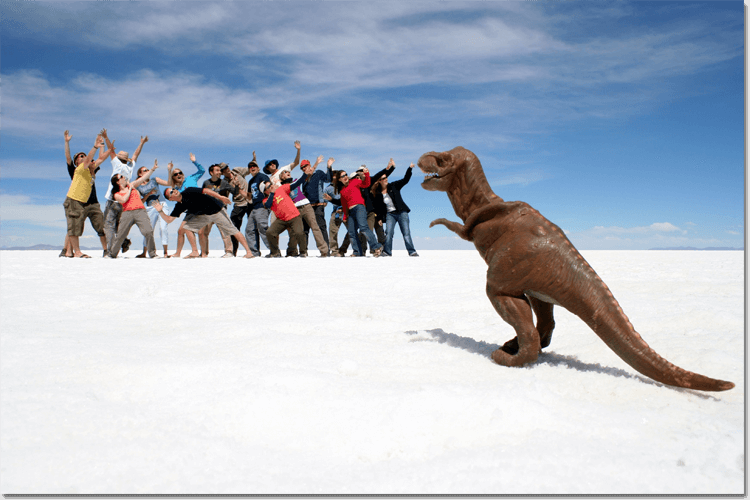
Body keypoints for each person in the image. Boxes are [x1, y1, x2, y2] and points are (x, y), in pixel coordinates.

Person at [153, 187, 255, 259]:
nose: (174, 191)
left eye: (173, 189)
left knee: (232, 230)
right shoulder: (179, 206)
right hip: (204, 215)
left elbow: (205, 190)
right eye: (171, 192)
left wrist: (221, 197)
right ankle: (195, 252)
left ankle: (249, 252)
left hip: (217, 210)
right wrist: (160, 211)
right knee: (187, 227)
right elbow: (169, 220)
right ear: (170, 199)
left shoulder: (188, 191)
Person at [63, 134, 114, 258]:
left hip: (84, 202)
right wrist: (95, 146)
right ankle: (74, 252)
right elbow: (71, 158)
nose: (85, 157)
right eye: (81, 156)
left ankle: (72, 252)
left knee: (79, 227)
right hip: (74, 199)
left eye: (85, 155)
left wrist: (109, 149)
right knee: (74, 227)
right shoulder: (79, 169)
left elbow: (101, 158)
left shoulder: (90, 169)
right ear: (77, 162)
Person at [101, 130, 148, 257]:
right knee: (118, 226)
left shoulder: (117, 164)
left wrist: (106, 138)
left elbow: (111, 151)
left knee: (109, 225)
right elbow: (136, 155)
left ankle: (111, 252)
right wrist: (141, 143)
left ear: (118, 158)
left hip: (113, 200)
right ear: (126, 160)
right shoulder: (130, 167)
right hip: (124, 201)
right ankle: (124, 242)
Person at [107, 160, 161, 259]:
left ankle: (152, 254)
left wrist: (152, 169)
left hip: (140, 211)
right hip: (127, 214)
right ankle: (112, 254)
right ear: (118, 182)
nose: (123, 177)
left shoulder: (132, 185)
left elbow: (143, 178)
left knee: (148, 232)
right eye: (121, 177)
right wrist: (130, 189)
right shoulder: (117, 194)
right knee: (120, 235)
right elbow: (123, 200)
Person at [332, 168, 383, 257]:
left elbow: (366, 184)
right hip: (351, 212)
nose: (345, 177)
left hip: (359, 207)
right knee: (351, 232)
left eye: (346, 174)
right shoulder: (342, 191)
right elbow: (344, 205)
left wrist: (366, 174)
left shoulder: (354, 181)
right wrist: (345, 217)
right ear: (339, 179)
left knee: (363, 227)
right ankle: (357, 252)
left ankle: (376, 247)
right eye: (343, 176)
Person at [371, 162, 419, 257]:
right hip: (390, 214)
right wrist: (380, 218)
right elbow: (379, 208)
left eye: (386, 177)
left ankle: (412, 251)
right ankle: (387, 252)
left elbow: (405, 180)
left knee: (406, 232)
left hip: (402, 212)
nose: (386, 179)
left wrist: (409, 169)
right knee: (388, 233)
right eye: (383, 178)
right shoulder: (378, 193)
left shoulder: (394, 185)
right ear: (379, 181)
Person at [282, 162, 329, 257]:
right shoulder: (281, 187)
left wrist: (316, 163)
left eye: (288, 172)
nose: (287, 172)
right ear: (281, 177)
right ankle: (302, 251)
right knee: (301, 230)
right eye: (284, 172)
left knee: (316, 227)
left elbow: (307, 174)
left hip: (306, 206)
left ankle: (325, 251)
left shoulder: (296, 180)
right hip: (296, 209)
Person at [199, 163, 244, 258]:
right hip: (208, 211)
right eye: (217, 170)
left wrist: (236, 186)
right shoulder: (206, 183)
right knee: (204, 233)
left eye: (220, 170)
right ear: (211, 172)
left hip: (220, 210)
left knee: (225, 232)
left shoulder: (223, 183)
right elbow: (202, 196)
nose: (220, 172)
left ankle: (229, 252)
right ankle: (204, 253)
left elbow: (234, 192)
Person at [168, 153, 206, 257]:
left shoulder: (191, 178)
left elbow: (202, 171)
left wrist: (194, 161)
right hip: (190, 210)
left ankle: (199, 252)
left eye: (179, 173)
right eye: (175, 174)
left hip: (200, 207)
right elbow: (169, 187)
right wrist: (169, 171)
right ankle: (178, 253)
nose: (178, 175)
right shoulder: (177, 189)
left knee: (196, 230)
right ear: (174, 178)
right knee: (181, 230)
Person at [133, 162, 173, 258]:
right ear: (140, 174)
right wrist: (148, 194)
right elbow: (141, 201)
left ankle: (165, 252)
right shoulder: (137, 186)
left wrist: (169, 170)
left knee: (163, 228)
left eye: (148, 170)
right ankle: (144, 252)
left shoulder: (154, 180)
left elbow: (169, 183)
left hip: (162, 205)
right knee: (148, 230)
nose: (147, 171)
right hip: (150, 207)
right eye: (145, 170)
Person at [260, 178, 306, 258]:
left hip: (294, 216)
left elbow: (296, 183)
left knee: (299, 233)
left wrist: (305, 174)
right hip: (281, 220)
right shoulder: (265, 199)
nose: (271, 187)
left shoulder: (281, 189)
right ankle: (275, 253)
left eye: (271, 185)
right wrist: (272, 193)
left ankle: (303, 252)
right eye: (268, 187)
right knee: (270, 232)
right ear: (264, 191)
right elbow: (268, 205)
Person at [300, 156, 334, 251]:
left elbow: (328, 179)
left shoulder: (318, 173)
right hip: (308, 207)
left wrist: (329, 167)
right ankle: (303, 251)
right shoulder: (304, 179)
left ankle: (326, 250)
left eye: (305, 166)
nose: (304, 168)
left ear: (309, 165)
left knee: (321, 227)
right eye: (302, 168)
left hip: (318, 206)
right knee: (305, 229)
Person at [244, 157, 271, 257]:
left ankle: (274, 250)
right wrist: (237, 188)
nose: (252, 167)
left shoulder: (262, 176)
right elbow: (249, 196)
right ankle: (254, 252)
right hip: (254, 208)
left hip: (262, 206)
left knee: (263, 228)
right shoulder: (251, 181)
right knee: (249, 230)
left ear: (258, 168)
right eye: (250, 167)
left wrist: (268, 199)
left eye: (254, 166)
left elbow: (268, 186)